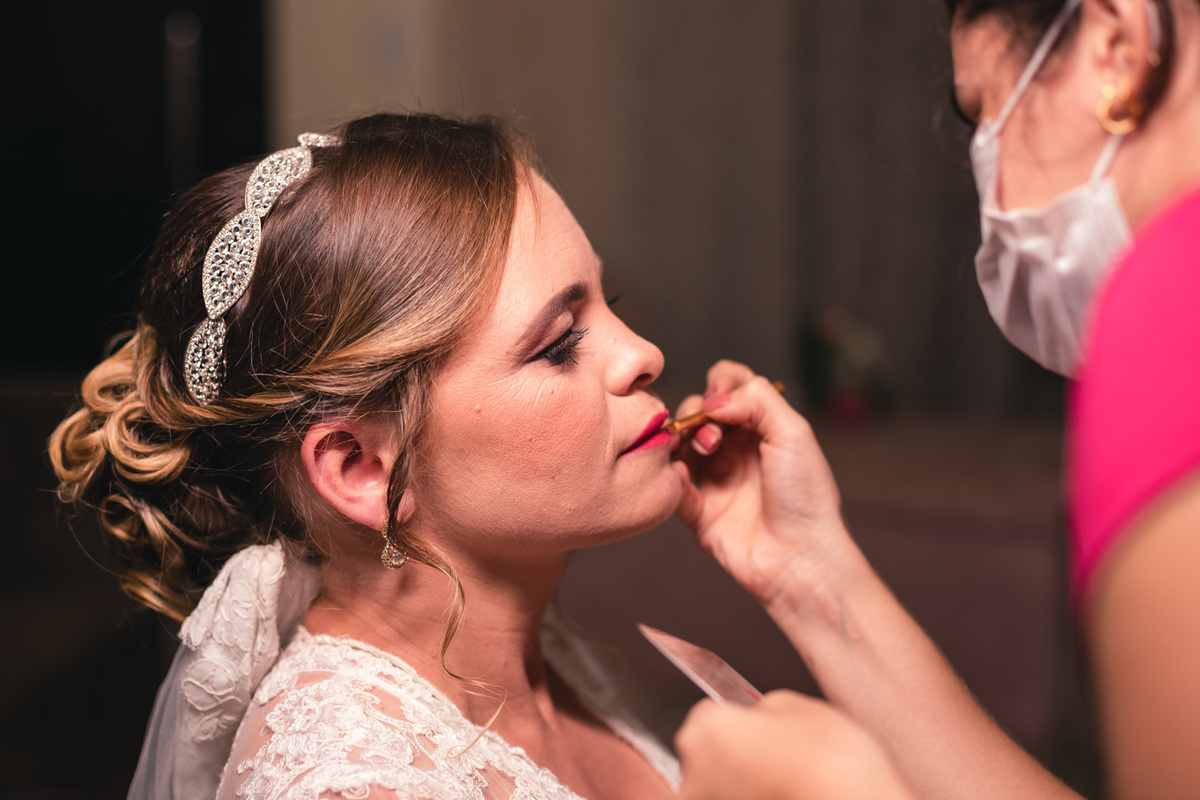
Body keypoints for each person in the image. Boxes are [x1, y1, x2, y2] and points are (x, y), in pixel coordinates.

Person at [50, 112, 688, 800]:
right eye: (559, 344)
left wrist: (782, 575)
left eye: (608, 300)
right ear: (363, 468)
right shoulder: (351, 784)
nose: (643, 355)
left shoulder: (535, 661)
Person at [670, 0, 1200, 798]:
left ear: (1117, 46)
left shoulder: (1172, 300)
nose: (994, 193)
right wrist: (808, 571)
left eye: (985, 115)